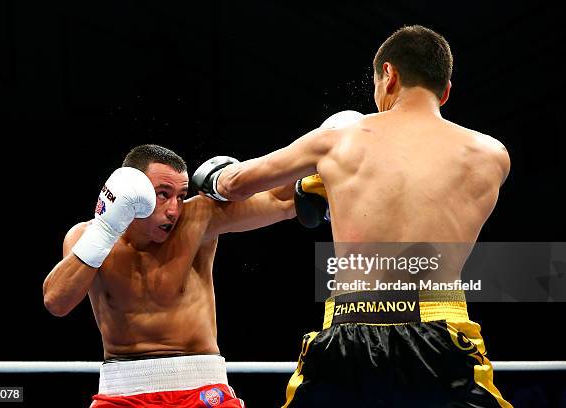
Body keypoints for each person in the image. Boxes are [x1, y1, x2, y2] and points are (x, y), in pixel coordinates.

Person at [192, 25, 512, 407]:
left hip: (349, 330)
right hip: (441, 331)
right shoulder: (491, 155)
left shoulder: (339, 141)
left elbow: (236, 184)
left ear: (388, 75)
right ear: (445, 91)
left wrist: (214, 175)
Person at [43, 144, 295, 407]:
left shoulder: (197, 217)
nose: (174, 209)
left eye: (181, 195)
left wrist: (331, 155)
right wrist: (106, 230)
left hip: (201, 388)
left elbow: (283, 201)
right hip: (121, 394)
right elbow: (56, 303)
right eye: (162, 194)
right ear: (131, 191)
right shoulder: (86, 236)